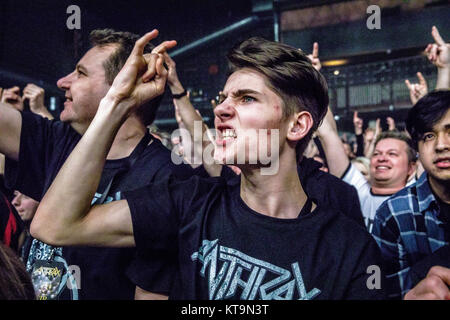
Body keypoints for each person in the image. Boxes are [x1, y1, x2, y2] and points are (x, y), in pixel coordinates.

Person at [31, 35, 385, 300]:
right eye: (223, 98)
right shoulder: (189, 205)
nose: (222, 110)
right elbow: (55, 226)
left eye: (247, 98)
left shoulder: (349, 248)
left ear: (297, 126)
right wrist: (116, 104)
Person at [0, 29, 193, 300]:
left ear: (129, 83)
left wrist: (117, 104)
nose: (62, 82)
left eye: (80, 73)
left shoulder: (170, 179)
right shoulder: (58, 141)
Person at [372, 90, 450, 299]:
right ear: (417, 148)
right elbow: (381, 292)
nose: (441, 144)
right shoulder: (394, 214)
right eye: (428, 136)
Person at [316, 108, 416, 232]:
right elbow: (327, 134)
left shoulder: (418, 199)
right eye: (376, 153)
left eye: (392, 154)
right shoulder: (358, 192)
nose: (382, 158)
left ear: (411, 168)